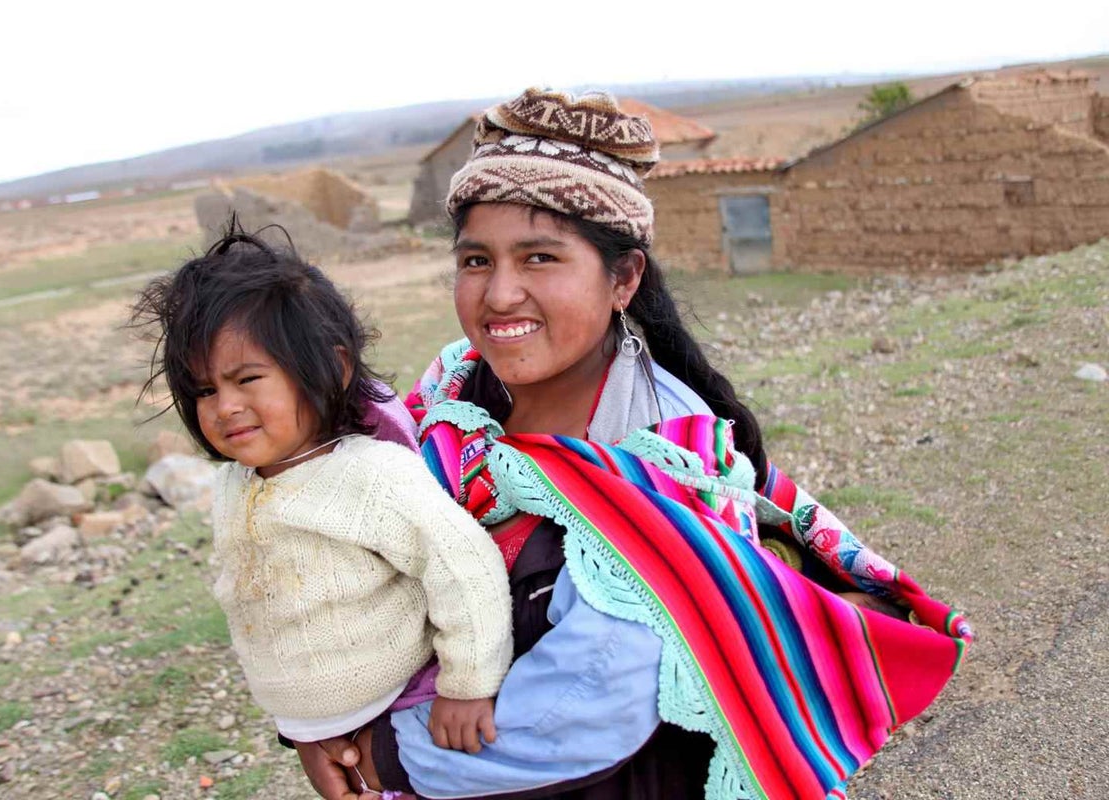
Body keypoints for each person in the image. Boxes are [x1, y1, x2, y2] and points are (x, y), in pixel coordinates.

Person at [297, 88, 971, 800]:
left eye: (539, 258)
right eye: (475, 261)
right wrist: (317, 720)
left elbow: (583, 710)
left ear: (623, 277)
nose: (498, 296)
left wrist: (375, 754)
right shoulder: (451, 392)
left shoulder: (664, 462)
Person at [130, 228, 514, 771]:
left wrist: (469, 686)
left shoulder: (371, 474)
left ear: (331, 370)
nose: (225, 407)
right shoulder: (236, 484)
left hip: (412, 709)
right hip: (319, 730)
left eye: (248, 379)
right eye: (204, 391)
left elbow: (463, 567)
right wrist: (302, 734)